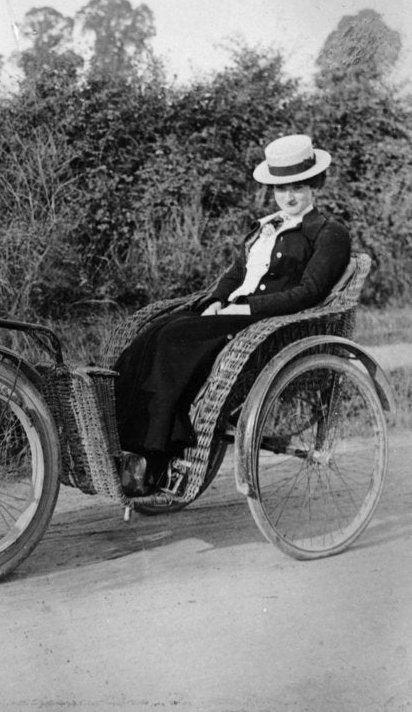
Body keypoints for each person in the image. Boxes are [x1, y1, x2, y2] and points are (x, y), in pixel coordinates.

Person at [113, 134, 351, 496]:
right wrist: (217, 298)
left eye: (299, 187)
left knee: (174, 341)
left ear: (314, 185)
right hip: (232, 311)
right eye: (282, 188)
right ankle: (129, 443)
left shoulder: (328, 234)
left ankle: (156, 457)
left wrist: (247, 307)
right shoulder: (265, 227)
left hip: (268, 323)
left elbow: (310, 292)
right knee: (153, 333)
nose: (290, 197)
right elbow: (237, 273)